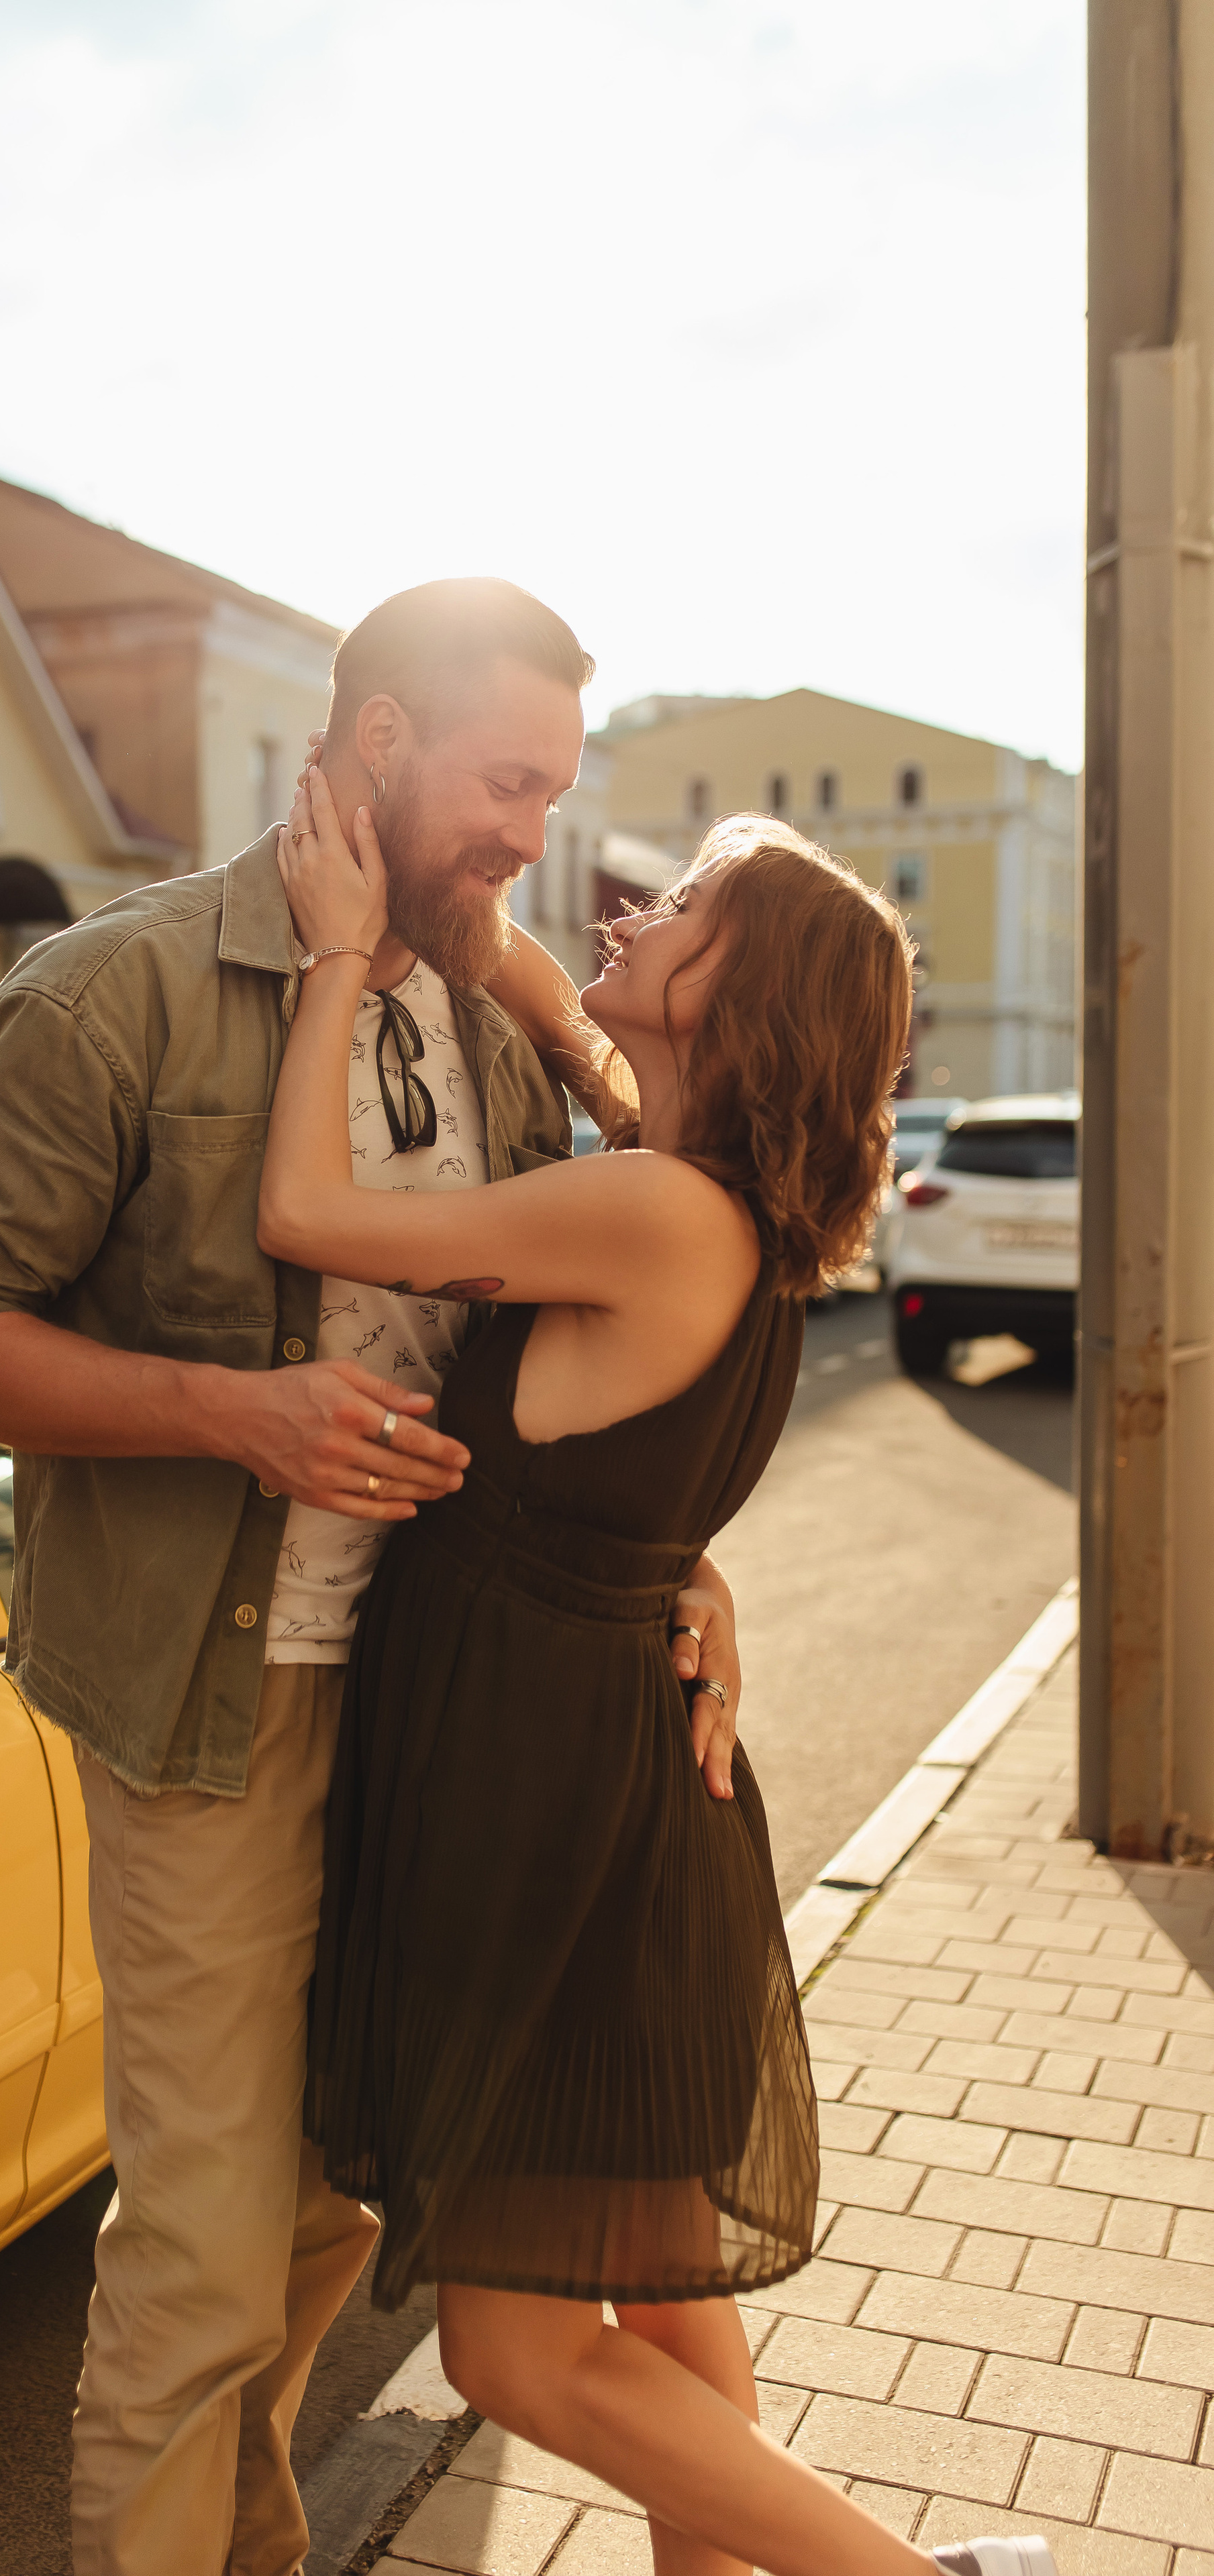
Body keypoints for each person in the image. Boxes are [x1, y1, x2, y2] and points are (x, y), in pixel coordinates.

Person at [0, 577, 744, 2576]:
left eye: (557, 788)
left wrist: (683, 1567)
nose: (536, 832)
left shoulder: (496, 1014)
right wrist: (232, 1412)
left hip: (442, 1715)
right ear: (375, 746)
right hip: (219, 1703)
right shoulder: (115, 992)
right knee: (198, 2258)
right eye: (506, 781)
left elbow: (616, 1331)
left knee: (326, 2220)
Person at [256, 770, 1062, 2576]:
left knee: (518, 2350)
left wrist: (328, 962)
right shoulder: (730, 1207)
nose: (628, 914)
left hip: (547, 1815)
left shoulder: (645, 1208)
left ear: (734, 993)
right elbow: (581, 1014)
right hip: (607, 1791)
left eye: (679, 910)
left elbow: (305, 1208)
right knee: (668, 2306)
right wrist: (539, 980)